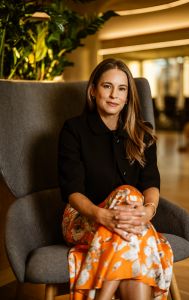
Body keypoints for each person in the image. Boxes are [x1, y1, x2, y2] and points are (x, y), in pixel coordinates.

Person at [58, 58, 173, 300]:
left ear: (128, 96)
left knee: (131, 217)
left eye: (121, 89)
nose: (114, 95)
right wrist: (101, 215)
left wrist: (149, 211)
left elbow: (151, 182)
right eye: (107, 86)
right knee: (130, 198)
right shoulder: (74, 130)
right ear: (93, 90)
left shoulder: (142, 133)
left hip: (128, 221)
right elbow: (72, 190)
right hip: (83, 217)